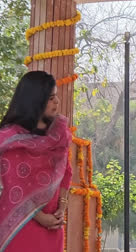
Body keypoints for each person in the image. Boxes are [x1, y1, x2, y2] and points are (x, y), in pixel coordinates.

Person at [0, 71, 72, 252]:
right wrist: (38, 216)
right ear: (34, 101)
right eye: (50, 98)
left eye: (56, 96)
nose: (57, 102)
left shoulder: (58, 135)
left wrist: (61, 207)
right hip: (20, 224)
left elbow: (67, 172)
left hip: (53, 224)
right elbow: (11, 186)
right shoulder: (9, 140)